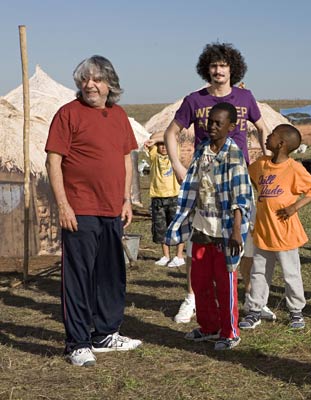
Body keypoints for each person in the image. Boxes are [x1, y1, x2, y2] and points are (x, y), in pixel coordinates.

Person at [146, 42, 271, 323]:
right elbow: (171, 132)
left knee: (244, 239)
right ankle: (191, 297)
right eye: (214, 65)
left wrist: (268, 159)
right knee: (198, 239)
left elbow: (262, 128)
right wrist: (178, 165)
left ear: (232, 68)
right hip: (204, 178)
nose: (218, 70)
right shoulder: (195, 100)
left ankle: (248, 300)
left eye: (224, 65)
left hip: (237, 175)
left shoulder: (245, 97)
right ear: (207, 69)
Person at [45, 55, 142, 367]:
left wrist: (126, 199)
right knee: (79, 277)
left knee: (111, 274)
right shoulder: (67, 114)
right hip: (80, 208)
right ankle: (77, 342)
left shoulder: (119, 115)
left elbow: (126, 158)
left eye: (97, 79)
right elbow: (54, 161)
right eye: (85, 79)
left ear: (109, 84)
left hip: (113, 208)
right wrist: (63, 205)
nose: (90, 85)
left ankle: (105, 333)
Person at [165, 102, 253, 350]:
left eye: (218, 123)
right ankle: (209, 327)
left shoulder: (233, 154)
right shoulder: (202, 149)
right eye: (209, 121)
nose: (211, 127)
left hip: (225, 228)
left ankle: (230, 332)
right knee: (201, 280)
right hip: (202, 224)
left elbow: (241, 196)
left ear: (231, 126)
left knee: (225, 282)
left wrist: (237, 230)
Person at [239, 124, 311, 330]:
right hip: (263, 230)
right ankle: (255, 310)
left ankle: (296, 311)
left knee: (291, 273)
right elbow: (251, 179)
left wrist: (294, 207)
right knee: (259, 272)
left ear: (281, 144)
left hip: (285, 233)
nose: (267, 138)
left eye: (271, 135)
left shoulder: (293, 168)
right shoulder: (261, 164)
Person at [143, 139, 186, 267]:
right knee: (161, 228)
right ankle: (166, 255)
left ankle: (179, 256)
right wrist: (155, 141)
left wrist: (160, 140)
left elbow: (172, 137)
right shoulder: (154, 156)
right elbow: (152, 141)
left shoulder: (174, 156)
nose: (163, 147)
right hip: (158, 198)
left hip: (174, 196)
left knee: (178, 227)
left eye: (166, 144)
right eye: (160, 145)